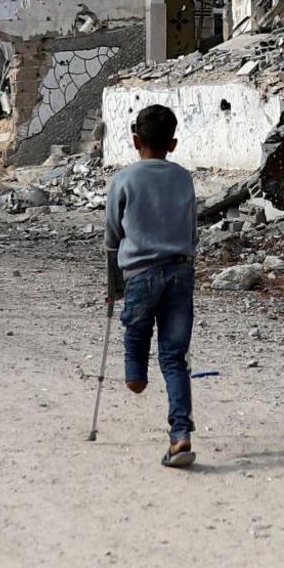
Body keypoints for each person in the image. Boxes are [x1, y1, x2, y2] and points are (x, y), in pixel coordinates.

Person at [104, 104, 198, 470]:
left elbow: (113, 237)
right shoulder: (184, 178)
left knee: (137, 332)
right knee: (175, 358)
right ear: (172, 144)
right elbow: (192, 231)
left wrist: (114, 284)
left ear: (135, 141)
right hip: (180, 272)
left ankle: (135, 376)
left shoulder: (124, 180)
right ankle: (180, 435)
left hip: (140, 273)